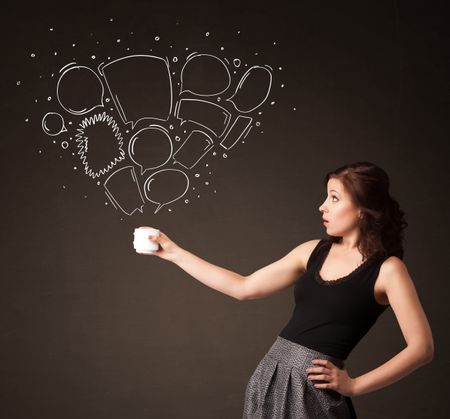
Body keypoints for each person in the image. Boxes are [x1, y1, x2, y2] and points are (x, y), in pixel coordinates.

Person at [138, 161, 434, 418]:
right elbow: (243, 287)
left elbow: (422, 349)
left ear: (362, 210)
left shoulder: (388, 270)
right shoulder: (312, 251)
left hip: (312, 393)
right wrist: (174, 252)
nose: (322, 206)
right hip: (270, 376)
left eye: (334, 198)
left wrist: (354, 385)